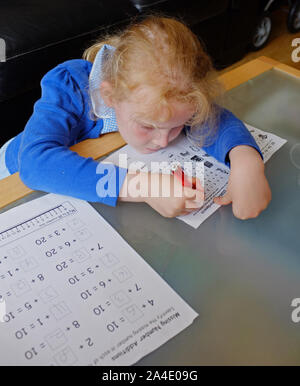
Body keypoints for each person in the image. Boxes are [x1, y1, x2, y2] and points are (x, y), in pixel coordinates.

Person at [0, 15, 271, 219]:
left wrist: (245, 158)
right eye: (147, 126)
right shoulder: (69, 86)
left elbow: (215, 120)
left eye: (178, 126)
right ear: (110, 97)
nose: (163, 141)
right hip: (12, 182)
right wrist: (143, 186)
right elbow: (35, 164)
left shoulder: (168, 98)